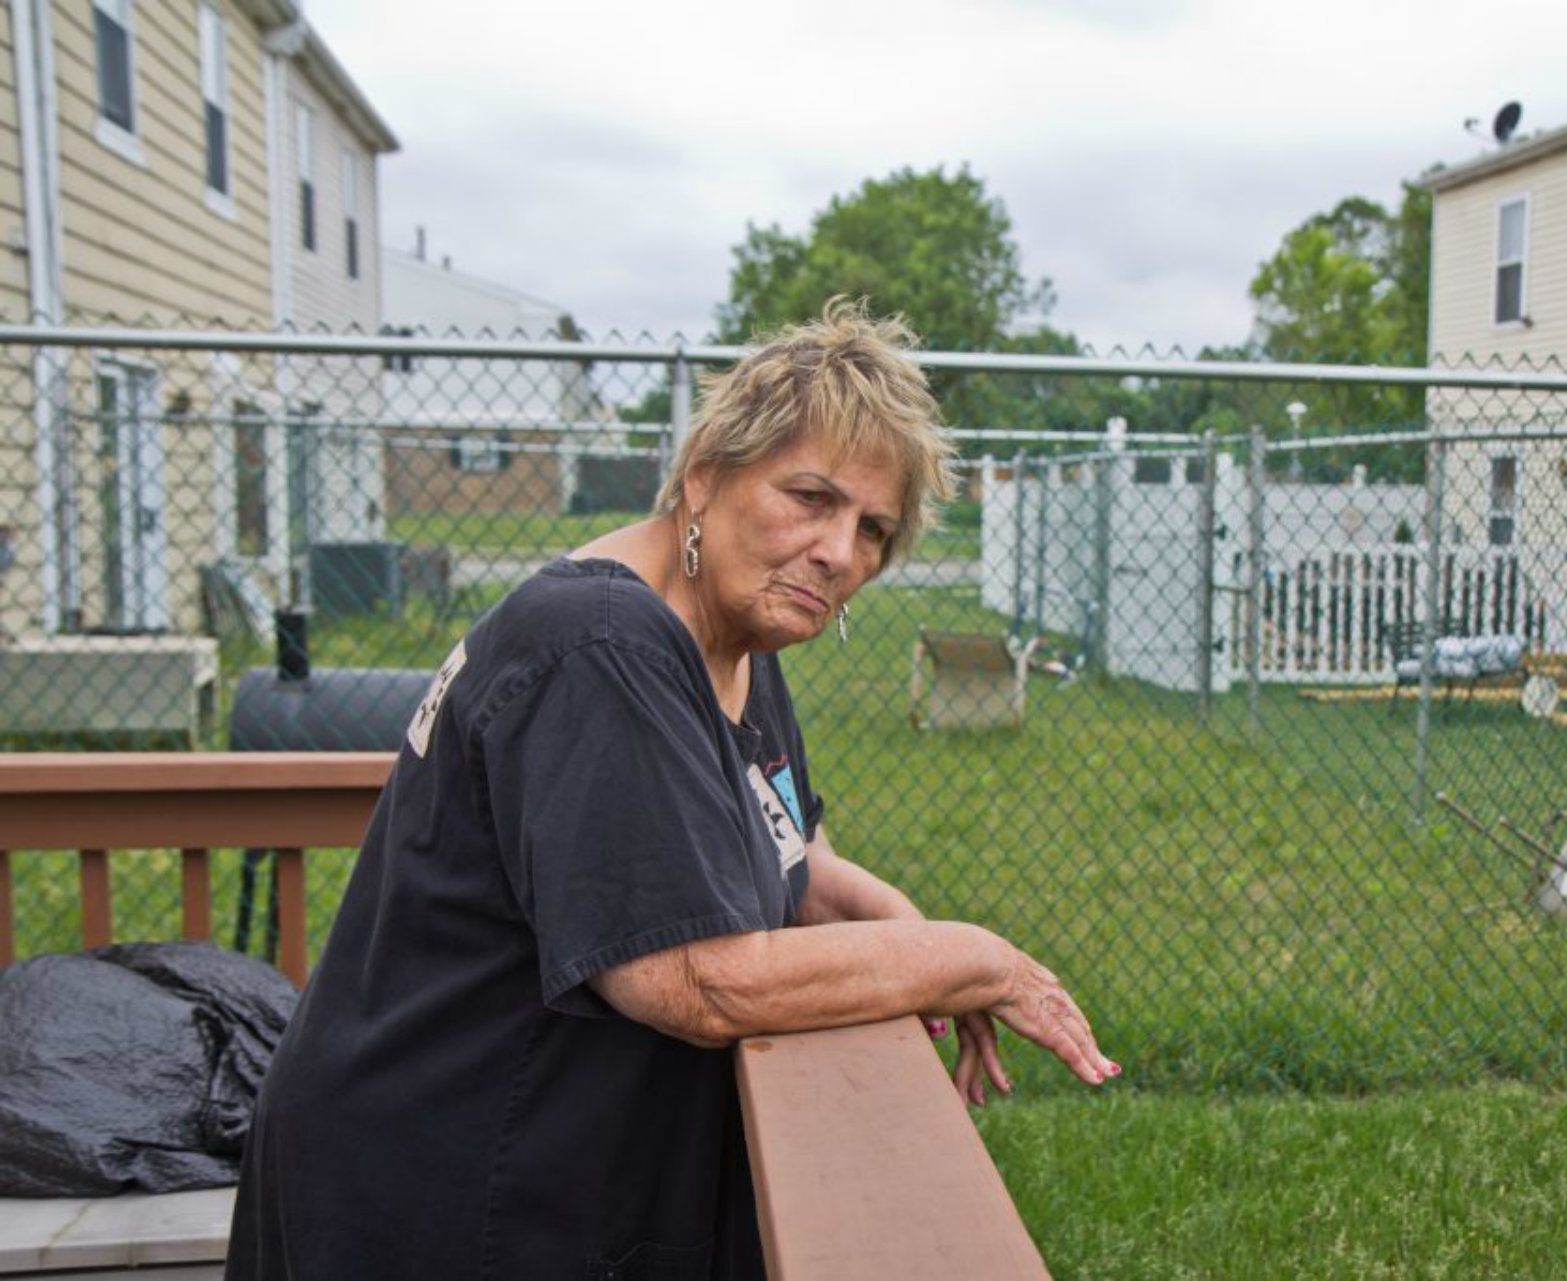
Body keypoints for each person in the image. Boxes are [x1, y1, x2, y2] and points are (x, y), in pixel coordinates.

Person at [226, 301, 1115, 1281]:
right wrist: (969, 959)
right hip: (435, 1184)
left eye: (873, 529)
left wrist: (917, 949)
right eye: (810, 497)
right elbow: (687, 978)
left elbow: (797, 862)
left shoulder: (732, 630)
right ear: (704, 476)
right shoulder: (603, 646)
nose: (839, 553)